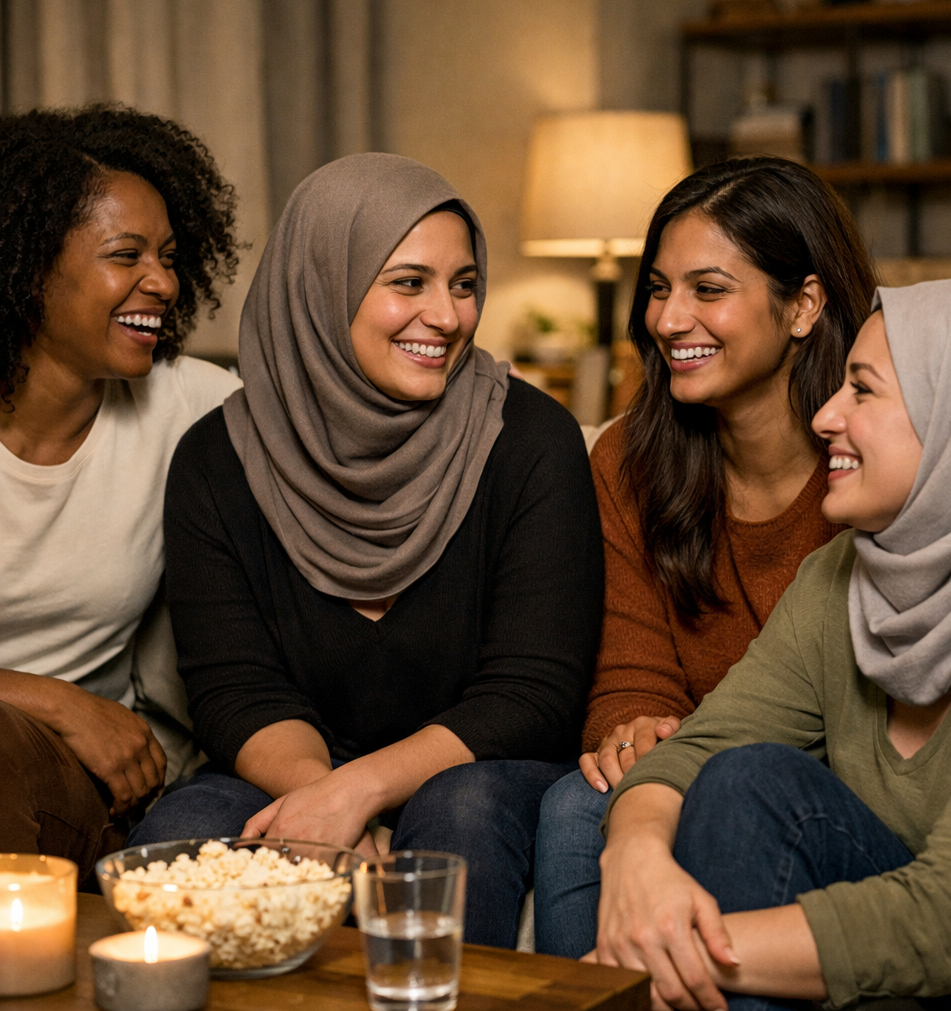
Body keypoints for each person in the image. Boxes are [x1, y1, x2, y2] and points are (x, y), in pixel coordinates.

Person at [132, 153, 604, 949]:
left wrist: (356, 794)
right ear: (323, 284)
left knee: (462, 812)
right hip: (291, 764)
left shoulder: (530, 438)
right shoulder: (217, 459)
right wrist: (328, 804)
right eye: (409, 282)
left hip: (481, 766)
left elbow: (534, 692)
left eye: (463, 284)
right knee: (178, 834)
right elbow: (234, 689)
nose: (448, 317)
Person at [590, 279, 951, 1010]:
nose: (825, 416)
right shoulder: (841, 575)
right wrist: (634, 861)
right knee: (743, 779)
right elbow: (702, 748)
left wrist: (664, 958)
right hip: (874, 969)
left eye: (863, 391)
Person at [534, 157, 876, 957]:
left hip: (821, 782)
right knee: (577, 805)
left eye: (708, 290)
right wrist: (633, 726)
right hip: (689, 758)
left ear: (804, 305)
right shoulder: (629, 460)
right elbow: (627, 660)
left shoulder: (873, 460)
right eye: (658, 288)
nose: (669, 318)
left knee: (735, 791)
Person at [0, 104, 241, 882]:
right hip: (64, 727)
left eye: (169, 256)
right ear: (28, 263)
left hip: (72, 783)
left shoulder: (190, 407)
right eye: (125, 254)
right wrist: (55, 699)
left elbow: (335, 432)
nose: (163, 282)